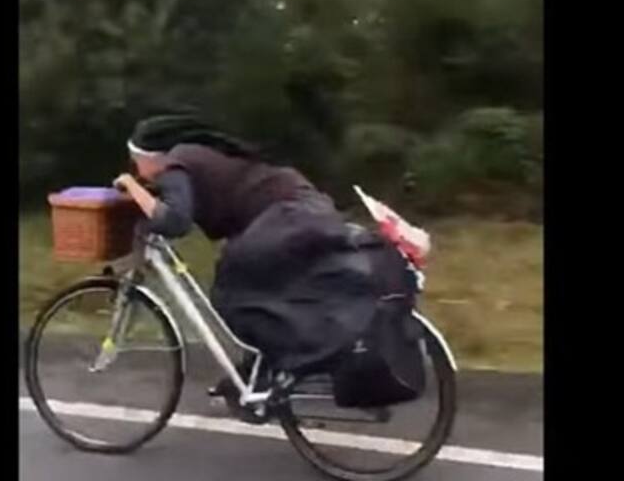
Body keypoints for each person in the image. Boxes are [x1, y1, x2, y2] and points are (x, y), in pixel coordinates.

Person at [113, 115, 412, 382]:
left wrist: (132, 186)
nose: (136, 171)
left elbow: (176, 222)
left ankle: (291, 363)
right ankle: (262, 368)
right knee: (262, 292)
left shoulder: (176, 164)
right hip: (301, 208)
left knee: (231, 293)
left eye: (135, 163)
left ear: (149, 157)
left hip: (288, 216)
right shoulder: (193, 157)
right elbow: (184, 201)